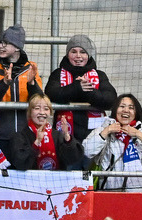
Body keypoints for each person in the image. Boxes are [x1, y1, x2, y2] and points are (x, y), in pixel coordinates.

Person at [44, 34, 118, 166]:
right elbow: (51, 94)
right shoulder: (57, 74)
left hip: (94, 138)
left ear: (88, 55)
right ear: (67, 54)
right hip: (66, 139)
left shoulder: (100, 75)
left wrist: (88, 92)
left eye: (83, 52)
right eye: (74, 51)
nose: (78, 56)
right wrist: (77, 88)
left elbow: (110, 99)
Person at [83, 93, 142, 191]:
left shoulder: (141, 134)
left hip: (136, 196)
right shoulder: (102, 130)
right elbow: (87, 151)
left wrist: (139, 135)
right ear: (115, 110)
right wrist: (106, 131)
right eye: (122, 106)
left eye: (131, 108)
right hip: (108, 195)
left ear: (136, 112)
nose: (126, 110)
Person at [0, 25, 43, 152]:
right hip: (0, 133)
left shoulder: (31, 68)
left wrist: (31, 83)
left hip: (27, 133)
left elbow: (38, 100)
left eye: (5, 43)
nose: (0, 46)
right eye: (0, 43)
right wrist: (5, 82)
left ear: (17, 47)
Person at [6, 94, 81, 171]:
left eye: (46, 109)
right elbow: (20, 163)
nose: (42, 112)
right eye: (37, 108)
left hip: (55, 181)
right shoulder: (20, 136)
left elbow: (73, 159)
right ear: (30, 112)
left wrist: (67, 137)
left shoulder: (57, 135)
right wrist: (37, 142)